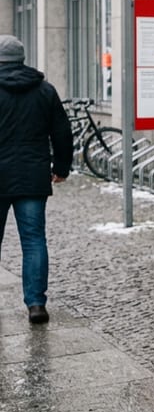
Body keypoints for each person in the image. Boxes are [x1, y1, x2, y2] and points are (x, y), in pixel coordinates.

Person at [0, 35, 72, 324]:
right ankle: (36, 305)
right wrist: (62, 167)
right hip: (32, 176)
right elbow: (62, 132)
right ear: (22, 58)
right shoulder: (44, 90)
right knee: (33, 240)